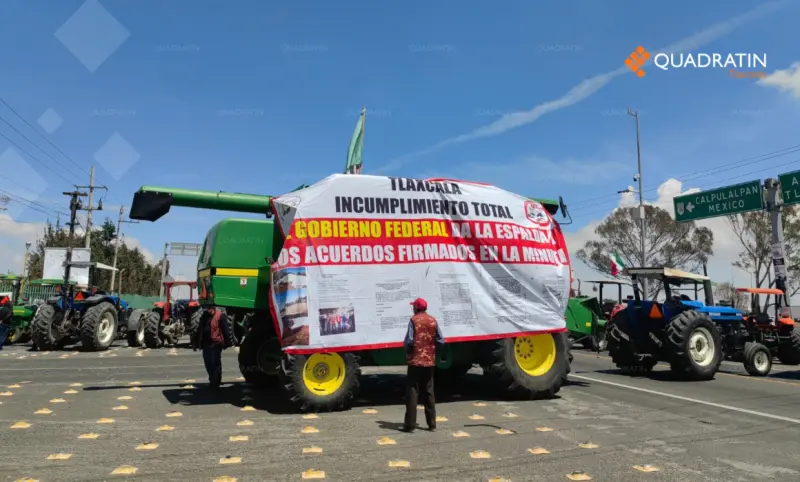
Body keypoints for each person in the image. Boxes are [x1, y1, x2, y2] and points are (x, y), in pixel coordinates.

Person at [402, 297, 445, 433]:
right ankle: (432, 424)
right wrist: (433, 351)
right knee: (429, 391)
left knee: (412, 391)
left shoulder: (413, 320)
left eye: (413, 306)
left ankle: (410, 425)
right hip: (429, 361)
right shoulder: (433, 320)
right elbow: (440, 340)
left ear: (416, 308)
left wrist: (408, 351)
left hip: (415, 361)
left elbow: (409, 340)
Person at [193, 305, 234, 389]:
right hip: (205, 344)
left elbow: (225, 330)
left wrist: (227, 342)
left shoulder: (220, 316)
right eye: (206, 308)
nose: (208, 310)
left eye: (209, 308)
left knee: (215, 363)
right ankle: (212, 379)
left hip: (216, 343)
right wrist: (195, 342)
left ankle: (216, 382)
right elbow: (199, 329)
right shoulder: (204, 316)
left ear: (213, 308)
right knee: (208, 363)